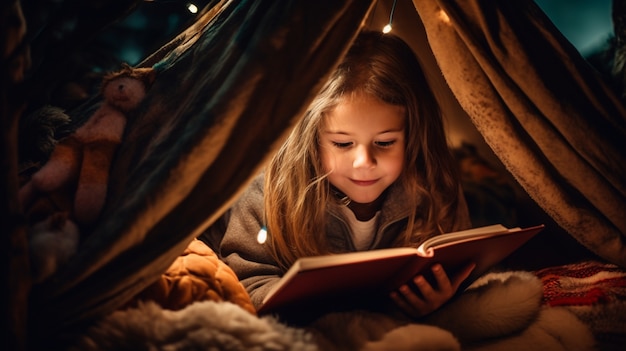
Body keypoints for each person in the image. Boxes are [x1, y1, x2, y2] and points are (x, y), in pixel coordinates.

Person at [203, 30, 474, 322]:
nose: (364, 162)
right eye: (342, 144)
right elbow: (247, 281)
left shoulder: (434, 185)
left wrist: (436, 301)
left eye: (385, 143)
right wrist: (307, 310)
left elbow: (457, 269)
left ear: (415, 136)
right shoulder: (268, 190)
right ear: (311, 138)